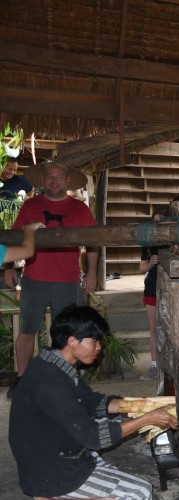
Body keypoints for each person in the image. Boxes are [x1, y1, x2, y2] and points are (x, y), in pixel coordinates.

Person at [9, 305, 178, 500]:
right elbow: (93, 438)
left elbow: (89, 401)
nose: (99, 347)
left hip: (55, 447)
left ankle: (78, 479)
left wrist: (140, 405)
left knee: (113, 423)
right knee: (141, 493)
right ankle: (55, 496)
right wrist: (146, 419)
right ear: (72, 341)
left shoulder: (55, 363)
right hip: (51, 468)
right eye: (94, 341)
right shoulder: (51, 383)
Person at [4, 163, 97, 398]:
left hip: (67, 280)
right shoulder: (31, 205)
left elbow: (93, 243)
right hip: (34, 278)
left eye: (59, 177)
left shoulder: (80, 208)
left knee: (66, 334)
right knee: (27, 330)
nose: (55, 181)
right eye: (50, 177)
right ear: (43, 180)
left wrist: (92, 272)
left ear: (67, 181)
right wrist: (8, 268)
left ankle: (63, 380)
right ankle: (22, 378)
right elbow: (14, 237)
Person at [139, 207, 170, 381]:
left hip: (170, 289)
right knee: (153, 329)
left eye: (161, 221)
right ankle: (154, 365)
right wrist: (150, 263)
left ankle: (172, 365)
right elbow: (141, 268)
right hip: (152, 287)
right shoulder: (148, 242)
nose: (157, 225)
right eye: (155, 221)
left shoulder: (175, 240)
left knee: (171, 328)